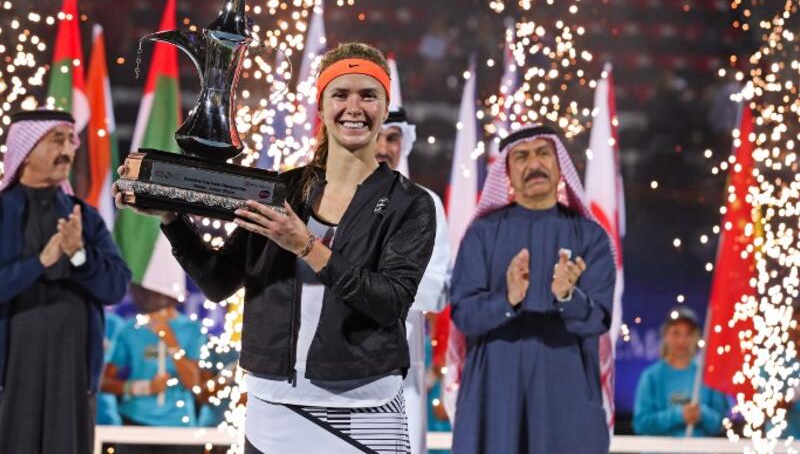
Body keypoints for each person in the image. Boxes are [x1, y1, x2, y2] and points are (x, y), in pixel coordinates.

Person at [115, 42, 436, 454]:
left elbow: (389, 301)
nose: (354, 107)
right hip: (273, 407)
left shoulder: (411, 203)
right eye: (340, 94)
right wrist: (170, 220)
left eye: (368, 95)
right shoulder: (282, 189)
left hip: (363, 405)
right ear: (321, 106)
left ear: (384, 106)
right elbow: (217, 282)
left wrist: (305, 246)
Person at [449, 124, 616, 454]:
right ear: (507, 173)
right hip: (495, 396)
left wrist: (569, 296)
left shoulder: (591, 236)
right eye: (521, 157)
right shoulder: (482, 234)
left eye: (543, 153)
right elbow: (464, 315)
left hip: (567, 399)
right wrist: (507, 299)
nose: (534, 164)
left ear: (560, 166)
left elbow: (600, 319)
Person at [0, 109, 131, 454]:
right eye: (57, 140)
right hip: (9, 377)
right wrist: (38, 263)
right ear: (25, 150)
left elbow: (116, 286)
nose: (69, 150)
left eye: (71, 141)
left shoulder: (83, 216)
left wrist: (79, 256)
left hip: (70, 377)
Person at [376, 107, 450, 454]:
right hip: (326, 373)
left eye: (392, 138)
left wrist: (361, 281)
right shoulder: (326, 199)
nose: (382, 147)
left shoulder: (424, 205)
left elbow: (435, 291)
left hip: (398, 375)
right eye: (375, 134)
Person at [102, 284, 205, 434]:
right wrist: (143, 387)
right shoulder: (130, 330)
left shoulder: (192, 329)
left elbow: (194, 383)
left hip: (179, 426)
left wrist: (170, 341)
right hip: (134, 421)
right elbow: (104, 382)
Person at [633, 306, 729, 437]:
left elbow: (722, 424)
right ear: (665, 335)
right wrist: (678, 415)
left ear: (697, 337)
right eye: (676, 333)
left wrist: (702, 414)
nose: (681, 340)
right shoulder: (651, 377)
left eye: (688, 333)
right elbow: (641, 424)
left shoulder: (708, 375)